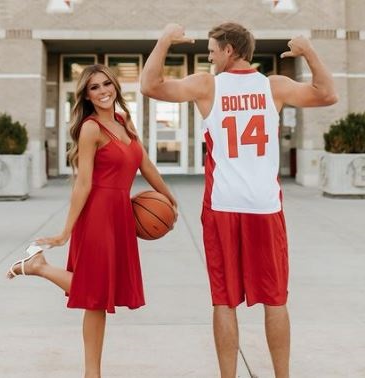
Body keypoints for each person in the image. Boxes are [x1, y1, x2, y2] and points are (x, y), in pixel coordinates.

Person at [141, 23, 337, 378]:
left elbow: (149, 85)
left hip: (222, 206)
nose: (210, 55)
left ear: (229, 50)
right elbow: (327, 94)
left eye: (213, 49)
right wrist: (308, 50)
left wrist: (165, 38)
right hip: (265, 206)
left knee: (224, 300)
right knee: (276, 299)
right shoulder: (272, 85)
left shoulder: (207, 84)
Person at [6, 63, 177, 378]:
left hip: (121, 216)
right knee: (95, 293)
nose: (103, 91)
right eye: (94, 87)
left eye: (106, 84)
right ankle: (39, 268)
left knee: (100, 298)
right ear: (86, 95)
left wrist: (170, 199)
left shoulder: (125, 123)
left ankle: (38, 268)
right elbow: (83, 183)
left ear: (115, 86)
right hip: (97, 215)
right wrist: (64, 232)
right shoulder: (90, 129)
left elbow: (146, 165)